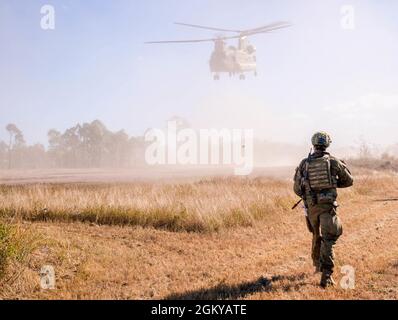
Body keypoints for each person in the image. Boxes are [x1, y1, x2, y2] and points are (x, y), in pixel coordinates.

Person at [293, 132, 354, 288]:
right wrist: (333, 184)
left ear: (313, 144)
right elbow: (348, 181)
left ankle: (317, 265)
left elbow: (297, 189)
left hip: (311, 207)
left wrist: (309, 194)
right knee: (329, 237)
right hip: (327, 206)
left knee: (315, 235)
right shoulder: (333, 162)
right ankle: (326, 275)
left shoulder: (304, 163)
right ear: (327, 144)